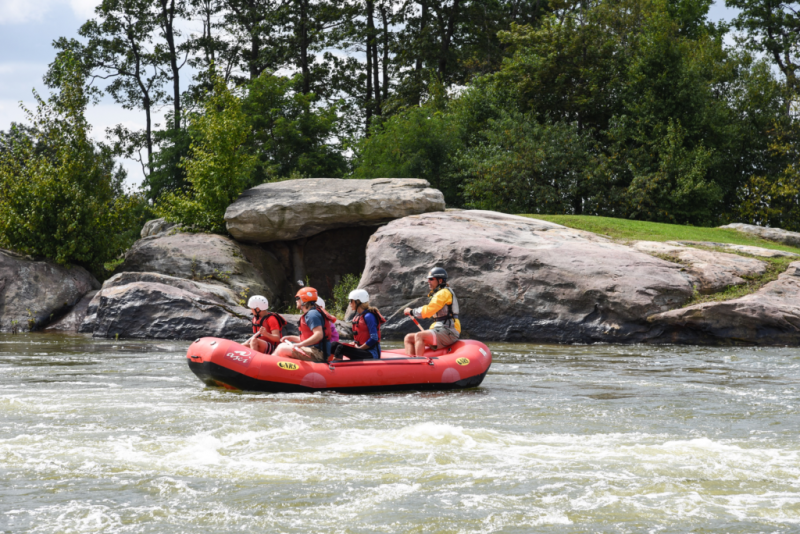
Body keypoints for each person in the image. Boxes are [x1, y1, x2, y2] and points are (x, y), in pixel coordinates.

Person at [403, 267, 460, 356]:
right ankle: (410, 365)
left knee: (419, 336)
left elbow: (428, 311)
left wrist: (412, 312)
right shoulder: (439, 293)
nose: (428, 281)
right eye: (428, 279)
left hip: (450, 331)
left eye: (431, 279)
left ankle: (419, 364)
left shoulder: (444, 293)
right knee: (408, 338)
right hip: (440, 329)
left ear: (440, 281)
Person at [277, 287, 336, 363]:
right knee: (283, 346)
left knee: (282, 348)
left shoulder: (312, 314)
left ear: (303, 300)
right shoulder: (313, 313)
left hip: (318, 353)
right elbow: (309, 339)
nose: (296, 301)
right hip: (315, 350)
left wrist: (300, 344)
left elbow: (319, 335)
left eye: (298, 298)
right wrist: (291, 338)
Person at [330, 289, 385, 360]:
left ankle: (336, 367)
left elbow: (374, 338)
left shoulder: (369, 316)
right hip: (361, 351)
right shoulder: (359, 316)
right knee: (334, 344)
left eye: (351, 301)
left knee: (341, 348)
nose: (350, 303)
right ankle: (326, 363)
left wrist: (360, 348)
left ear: (358, 301)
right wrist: (352, 344)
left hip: (371, 354)